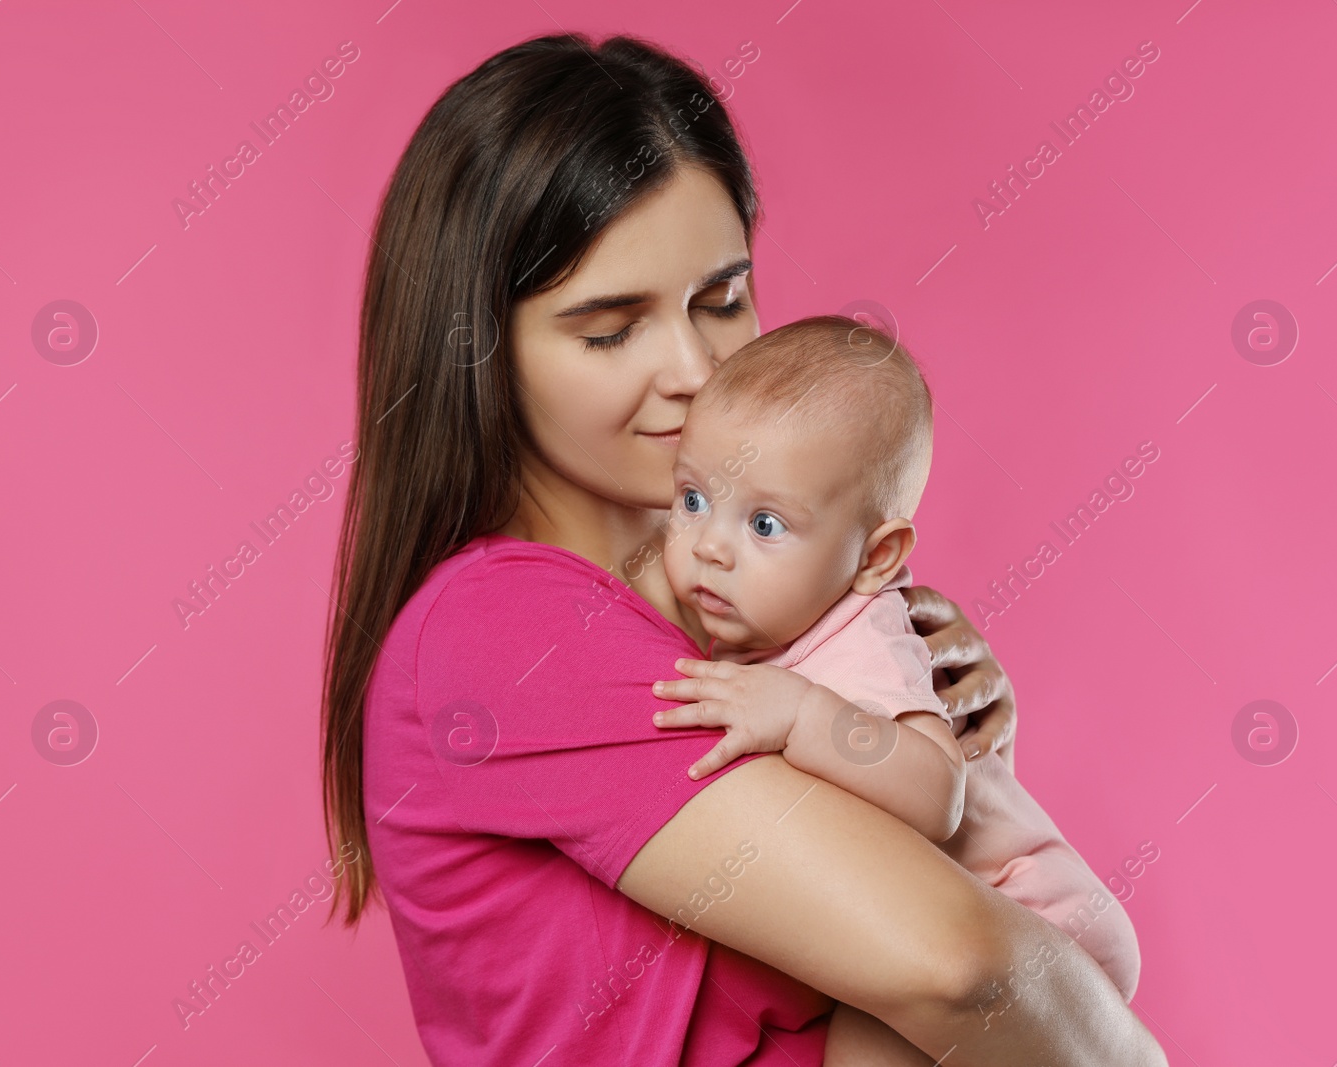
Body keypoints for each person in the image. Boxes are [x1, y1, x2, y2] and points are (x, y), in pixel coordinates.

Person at [318, 30, 1167, 1066]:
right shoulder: (506, 627)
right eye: (608, 329)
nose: (691, 368)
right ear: (478, 348)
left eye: (721, 301)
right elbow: (964, 966)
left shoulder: (753, 619)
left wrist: (936, 740)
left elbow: (981, 908)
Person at [650, 315, 1142, 1042]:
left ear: (876, 559)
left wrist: (799, 716)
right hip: (952, 917)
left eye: (764, 525)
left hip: (1033, 912)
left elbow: (937, 792)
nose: (710, 547)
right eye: (693, 500)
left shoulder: (866, 638)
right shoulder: (762, 618)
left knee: (865, 1031)